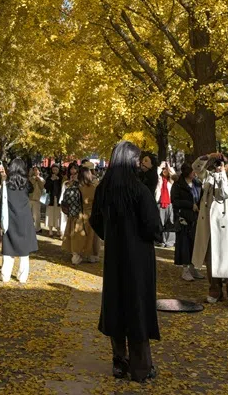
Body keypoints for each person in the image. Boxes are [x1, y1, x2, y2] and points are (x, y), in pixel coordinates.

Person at [89, 141, 163, 383]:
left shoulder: (104, 190)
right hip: (139, 256)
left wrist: (111, 237)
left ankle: (119, 363)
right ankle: (141, 367)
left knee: (116, 304)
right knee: (138, 305)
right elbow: (153, 226)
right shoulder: (139, 190)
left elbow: (95, 221)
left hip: (115, 256)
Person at [192, 153, 228, 308]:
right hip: (209, 223)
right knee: (211, 258)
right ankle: (215, 291)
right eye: (219, 163)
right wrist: (207, 157)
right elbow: (196, 168)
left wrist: (221, 173)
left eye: (225, 163)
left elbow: (224, 193)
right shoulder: (209, 176)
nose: (220, 165)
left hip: (227, 225)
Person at [0, 159, 39, 282]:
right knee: (24, 249)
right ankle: (22, 276)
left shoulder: (6, 184)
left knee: (8, 246)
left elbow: (2, 202)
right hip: (25, 218)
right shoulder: (26, 184)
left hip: (10, 217)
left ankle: (5, 275)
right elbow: (32, 190)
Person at [171, 162, 203, 281]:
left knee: (194, 243)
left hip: (195, 217)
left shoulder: (197, 184)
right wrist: (190, 205)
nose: (195, 173)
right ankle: (185, 270)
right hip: (183, 217)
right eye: (192, 171)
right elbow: (175, 201)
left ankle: (193, 268)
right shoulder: (178, 185)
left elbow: (201, 197)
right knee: (184, 244)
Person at [70, 163, 101, 264]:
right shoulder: (94, 187)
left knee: (78, 236)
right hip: (91, 214)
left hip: (78, 213)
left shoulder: (76, 187)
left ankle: (77, 255)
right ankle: (92, 255)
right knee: (92, 236)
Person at [44, 165, 64, 237]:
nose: (55, 171)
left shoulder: (61, 178)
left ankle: (58, 230)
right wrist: (51, 180)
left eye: (56, 169)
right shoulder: (49, 178)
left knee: (58, 214)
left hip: (59, 199)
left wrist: (58, 180)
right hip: (51, 199)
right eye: (53, 169)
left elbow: (63, 187)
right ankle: (50, 230)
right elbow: (46, 187)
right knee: (50, 214)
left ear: (58, 170)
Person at [28, 166, 45, 232]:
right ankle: (29, 227)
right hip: (30, 198)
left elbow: (42, 186)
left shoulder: (42, 179)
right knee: (29, 213)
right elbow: (31, 183)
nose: (35, 171)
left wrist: (38, 179)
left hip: (37, 199)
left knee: (36, 214)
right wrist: (33, 177)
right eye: (34, 170)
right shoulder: (30, 178)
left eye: (36, 170)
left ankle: (38, 228)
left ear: (39, 171)